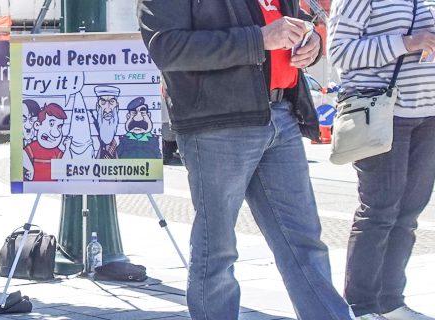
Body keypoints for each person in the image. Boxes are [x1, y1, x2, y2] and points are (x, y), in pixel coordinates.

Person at [138, 1, 354, 319]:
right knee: (218, 248)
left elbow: (298, 20)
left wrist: (313, 42)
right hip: (218, 123)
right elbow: (166, 47)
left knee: (305, 242)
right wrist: (259, 39)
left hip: (281, 112)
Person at [328, 1, 435, 319]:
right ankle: (362, 306)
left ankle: (390, 301)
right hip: (383, 114)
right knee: (380, 210)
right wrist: (407, 42)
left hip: (428, 115)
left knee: (409, 212)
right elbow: (340, 53)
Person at [23, 103, 72, 181]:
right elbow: (24, 154)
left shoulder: (57, 152)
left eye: (59, 126)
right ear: (37, 125)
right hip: (35, 185)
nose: (56, 133)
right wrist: (30, 168)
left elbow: (66, 164)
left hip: (54, 187)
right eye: (51, 123)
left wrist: (67, 148)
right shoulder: (33, 148)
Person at [92, 85, 121, 159]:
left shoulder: (121, 141)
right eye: (103, 102)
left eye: (112, 102)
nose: (107, 109)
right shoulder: (90, 137)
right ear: (97, 106)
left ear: (117, 107)